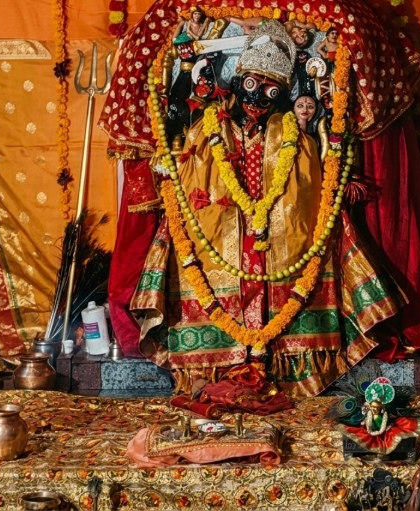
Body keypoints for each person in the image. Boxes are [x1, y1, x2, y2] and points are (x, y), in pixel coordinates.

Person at [130, 20, 405, 398]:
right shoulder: (206, 130)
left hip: (278, 246)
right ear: (237, 80)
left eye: (270, 91)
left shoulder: (295, 135)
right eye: (251, 85)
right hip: (219, 239)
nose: (257, 99)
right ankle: (219, 363)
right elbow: (182, 178)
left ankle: (285, 362)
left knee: (310, 238)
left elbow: (311, 196)